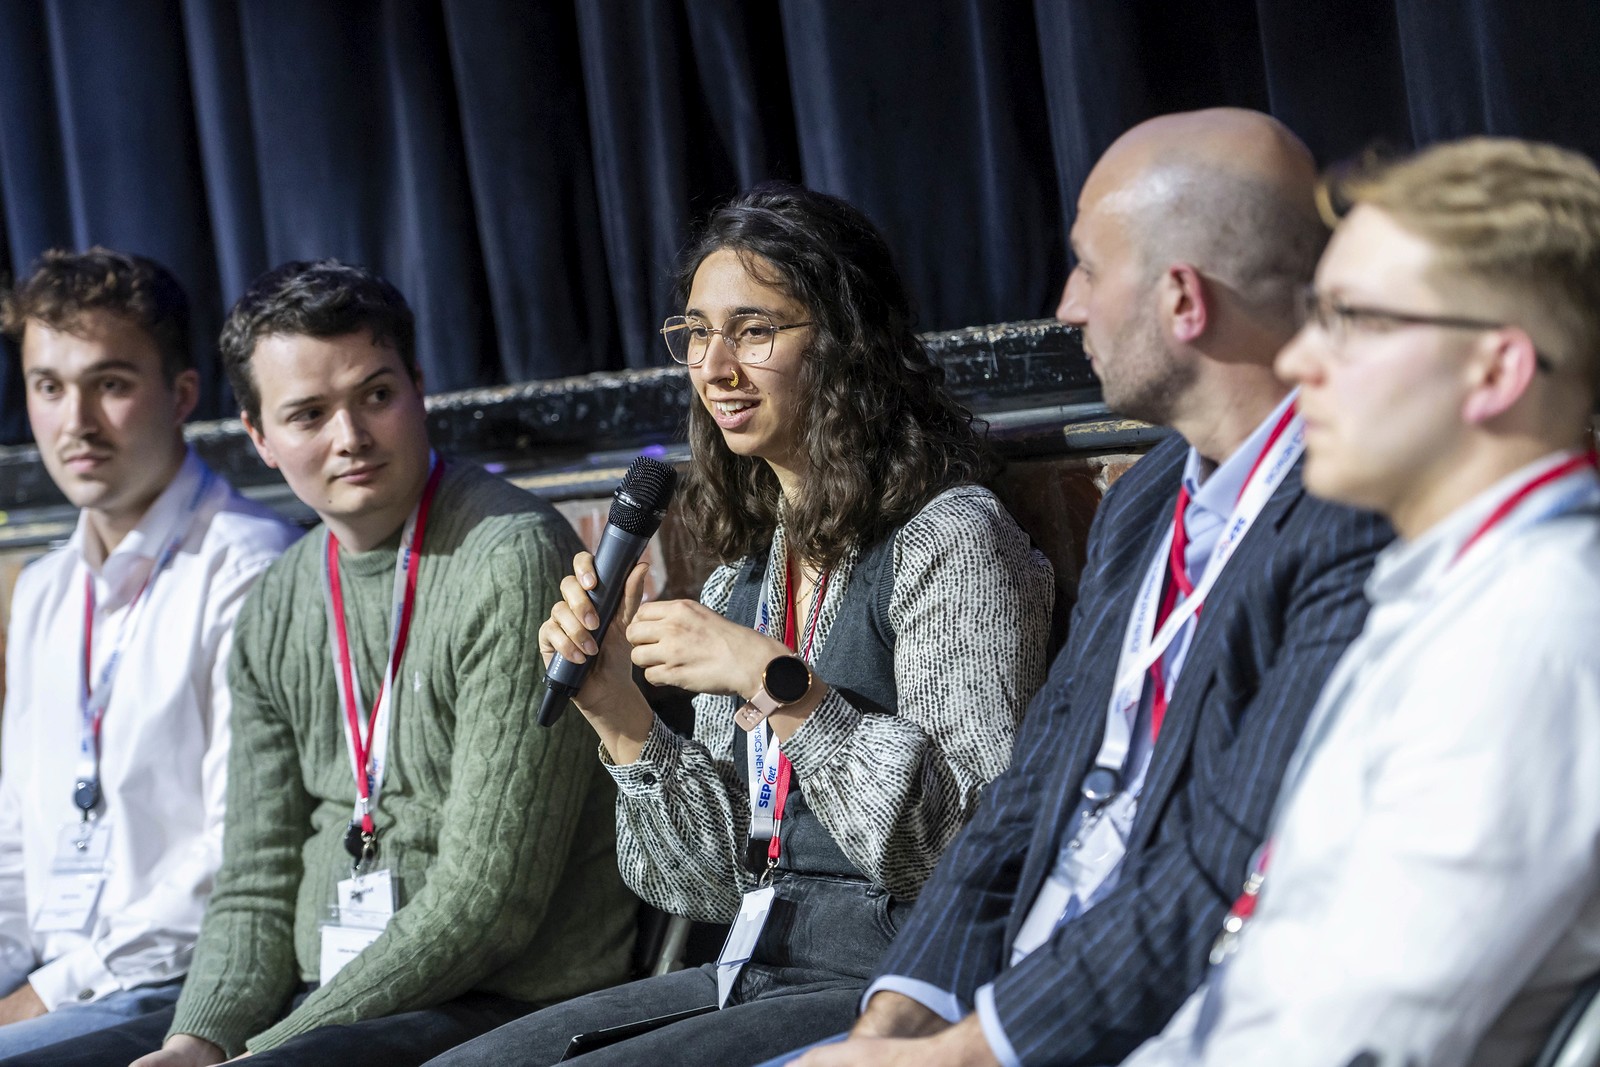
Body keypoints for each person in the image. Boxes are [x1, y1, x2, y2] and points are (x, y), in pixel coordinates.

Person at [777, 109, 1393, 1067]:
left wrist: (960, 1054)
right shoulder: (1146, 501)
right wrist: (892, 1017)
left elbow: (1217, 865)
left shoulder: (1352, 518)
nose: (1066, 304)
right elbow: (1026, 795)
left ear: (1183, 300)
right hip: (1004, 998)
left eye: (1090, 269)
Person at [424, 183, 1055, 1067]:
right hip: (750, 963)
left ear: (846, 344)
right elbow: (712, 882)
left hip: (893, 984)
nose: (715, 366)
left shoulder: (950, 538)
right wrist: (618, 711)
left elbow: (967, 850)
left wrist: (773, 678)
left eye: (754, 330)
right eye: (694, 334)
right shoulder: (742, 576)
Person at [2, 260, 637, 1067]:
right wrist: (197, 1038)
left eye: (376, 395)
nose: (351, 438)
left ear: (419, 386)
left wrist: (265, 1049)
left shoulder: (507, 557)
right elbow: (257, 880)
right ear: (260, 438)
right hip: (326, 999)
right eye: (308, 413)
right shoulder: (281, 597)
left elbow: (488, 902)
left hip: (498, 997)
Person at [1121, 137, 1600, 1067]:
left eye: (1352, 319)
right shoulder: (1453, 588)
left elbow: (1361, 1039)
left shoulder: (1532, 627)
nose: (1298, 358)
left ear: (1495, 371)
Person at [0, 248, 298, 1055]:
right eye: (48, 386)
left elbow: (237, 854)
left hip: (176, 983)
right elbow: (16, 835)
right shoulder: (44, 588)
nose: (75, 422)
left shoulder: (247, 563)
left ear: (182, 395)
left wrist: (40, 994)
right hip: (49, 973)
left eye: (111, 383)